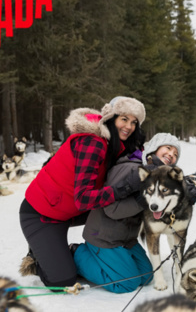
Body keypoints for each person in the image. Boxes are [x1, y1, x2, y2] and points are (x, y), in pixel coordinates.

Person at [18, 96, 146, 288]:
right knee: (62, 281)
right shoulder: (93, 143)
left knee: (114, 207)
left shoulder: (114, 145)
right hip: (42, 215)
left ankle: (107, 251)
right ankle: (43, 255)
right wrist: (125, 188)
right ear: (111, 118)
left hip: (68, 211)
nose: (129, 126)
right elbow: (84, 199)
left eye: (134, 122)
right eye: (124, 119)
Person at [73, 132, 196, 293]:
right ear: (153, 149)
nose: (171, 155)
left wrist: (185, 194)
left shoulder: (159, 176)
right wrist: (143, 200)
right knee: (127, 283)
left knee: (146, 277)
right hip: (104, 236)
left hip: (127, 238)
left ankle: (110, 260)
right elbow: (112, 210)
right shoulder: (130, 168)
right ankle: (78, 254)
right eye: (167, 148)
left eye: (175, 154)